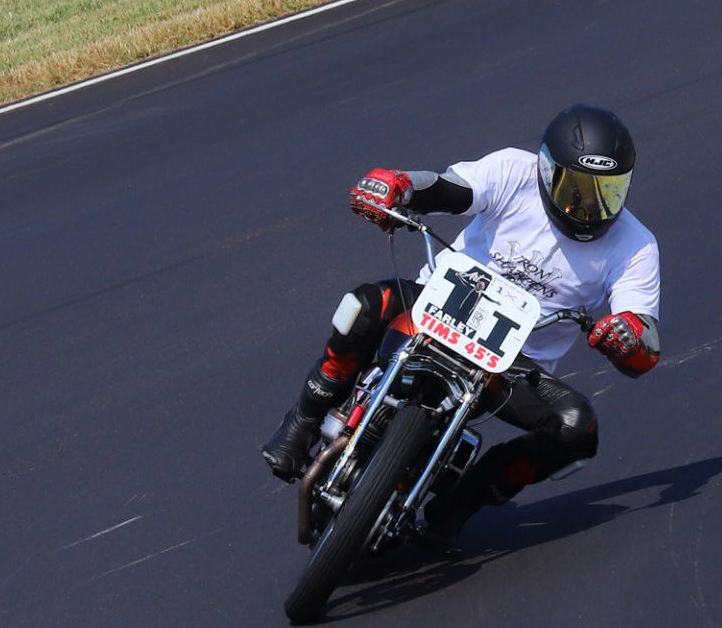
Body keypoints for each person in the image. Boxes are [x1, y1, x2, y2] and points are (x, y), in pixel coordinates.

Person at [259, 103, 662, 548]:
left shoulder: (637, 246)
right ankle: (302, 419)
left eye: (609, 191)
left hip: (508, 364)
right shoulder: (513, 170)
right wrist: (400, 186)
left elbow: (644, 339)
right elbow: (451, 188)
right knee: (365, 303)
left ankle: (462, 501)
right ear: (547, 171)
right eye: (578, 189)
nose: (590, 206)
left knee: (578, 428)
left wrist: (627, 339)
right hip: (434, 308)